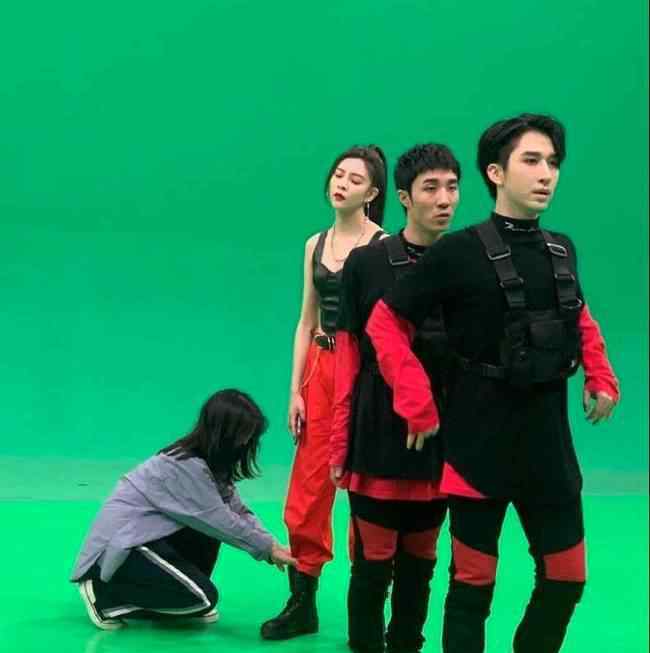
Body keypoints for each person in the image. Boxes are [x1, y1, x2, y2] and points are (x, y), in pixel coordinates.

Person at [365, 114, 620, 653]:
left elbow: (578, 314)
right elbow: (385, 323)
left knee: (567, 578)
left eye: (553, 162)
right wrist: (416, 399)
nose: (546, 173)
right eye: (532, 160)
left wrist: (599, 374)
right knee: (472, 587)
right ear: (496, 173)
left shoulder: (561, 249)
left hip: (549, 450)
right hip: (476, 450)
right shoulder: (456, 252)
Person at [330, 143, 461, 653]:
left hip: (440, 443)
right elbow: (347, 359)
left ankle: (407, 643)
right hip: (376, 437)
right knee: (371, 569)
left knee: (420, 568)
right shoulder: (366, 264)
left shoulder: (467, 263)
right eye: (431, 188)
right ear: (404, 198)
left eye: (452, 187)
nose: (444, 199)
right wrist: (339, 445)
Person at [260, 145, 387, 641]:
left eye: (354, 179)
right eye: (338, 175)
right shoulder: (315, 244)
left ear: (372, 193)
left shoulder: (384, 247)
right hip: (319, 368)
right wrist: (295, 390)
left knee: (365, 486)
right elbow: (305, 320)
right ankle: (302, 602)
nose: (342, 184)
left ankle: (367, 606)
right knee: (308, 490)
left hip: (365, 373)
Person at [71, 388, 296, 630]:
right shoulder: (184, 466)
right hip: (118, 549)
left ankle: (176, 597)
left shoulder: (211, 464)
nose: (246, 442)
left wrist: (272, 545)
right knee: (204, 599)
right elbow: (220, 519)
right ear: (222, 432)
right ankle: (103, 595)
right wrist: (266, 550)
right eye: (243, 434)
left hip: (146, 536)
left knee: (205, 548)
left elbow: (237, 511)